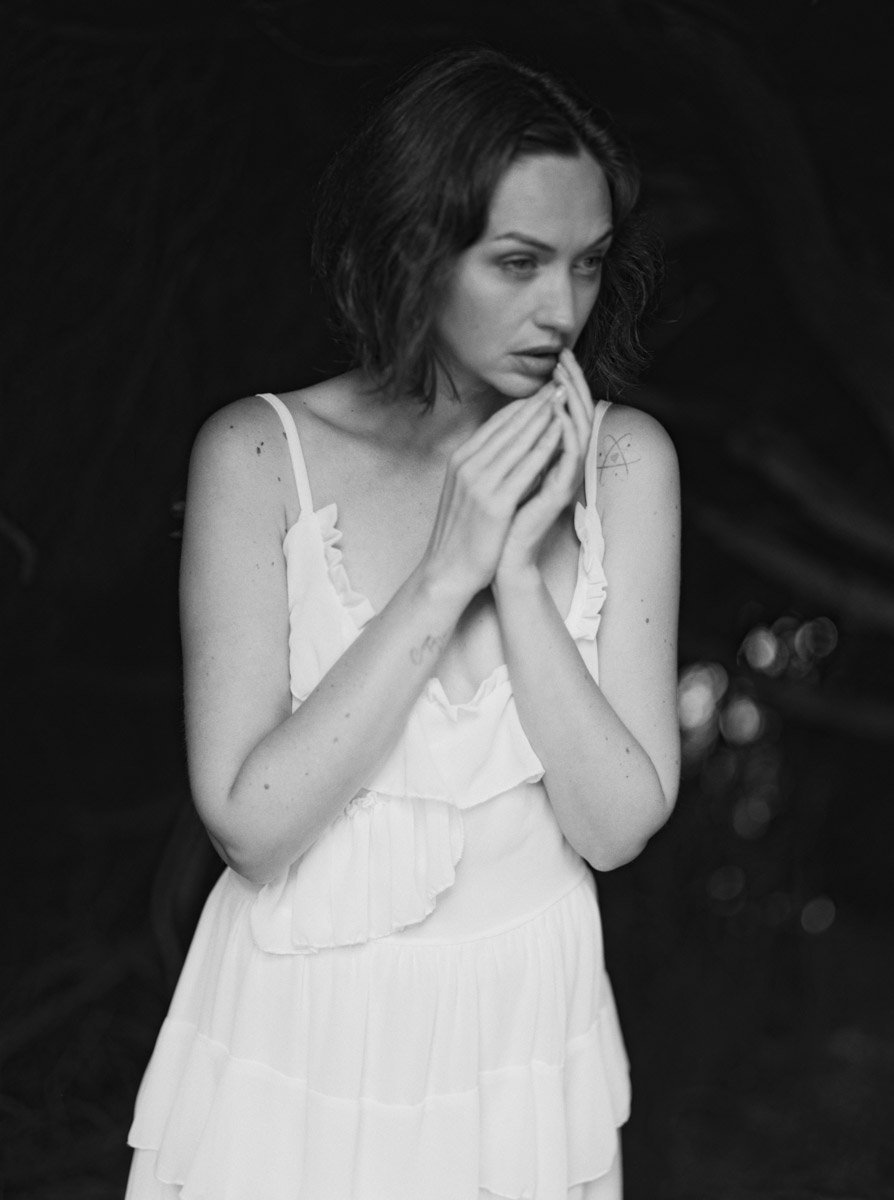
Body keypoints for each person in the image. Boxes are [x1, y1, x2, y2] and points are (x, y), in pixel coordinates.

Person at [124, 46, 680, 1200]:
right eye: (517, 262)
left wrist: (519, 576)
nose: (559, 310)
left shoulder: (621, 462)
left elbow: (614, 825)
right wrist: (445, 574)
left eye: (585, 265)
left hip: (521, 1041)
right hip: (296, 1037)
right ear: (413, 250)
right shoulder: (256, 455)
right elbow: (251, 825)